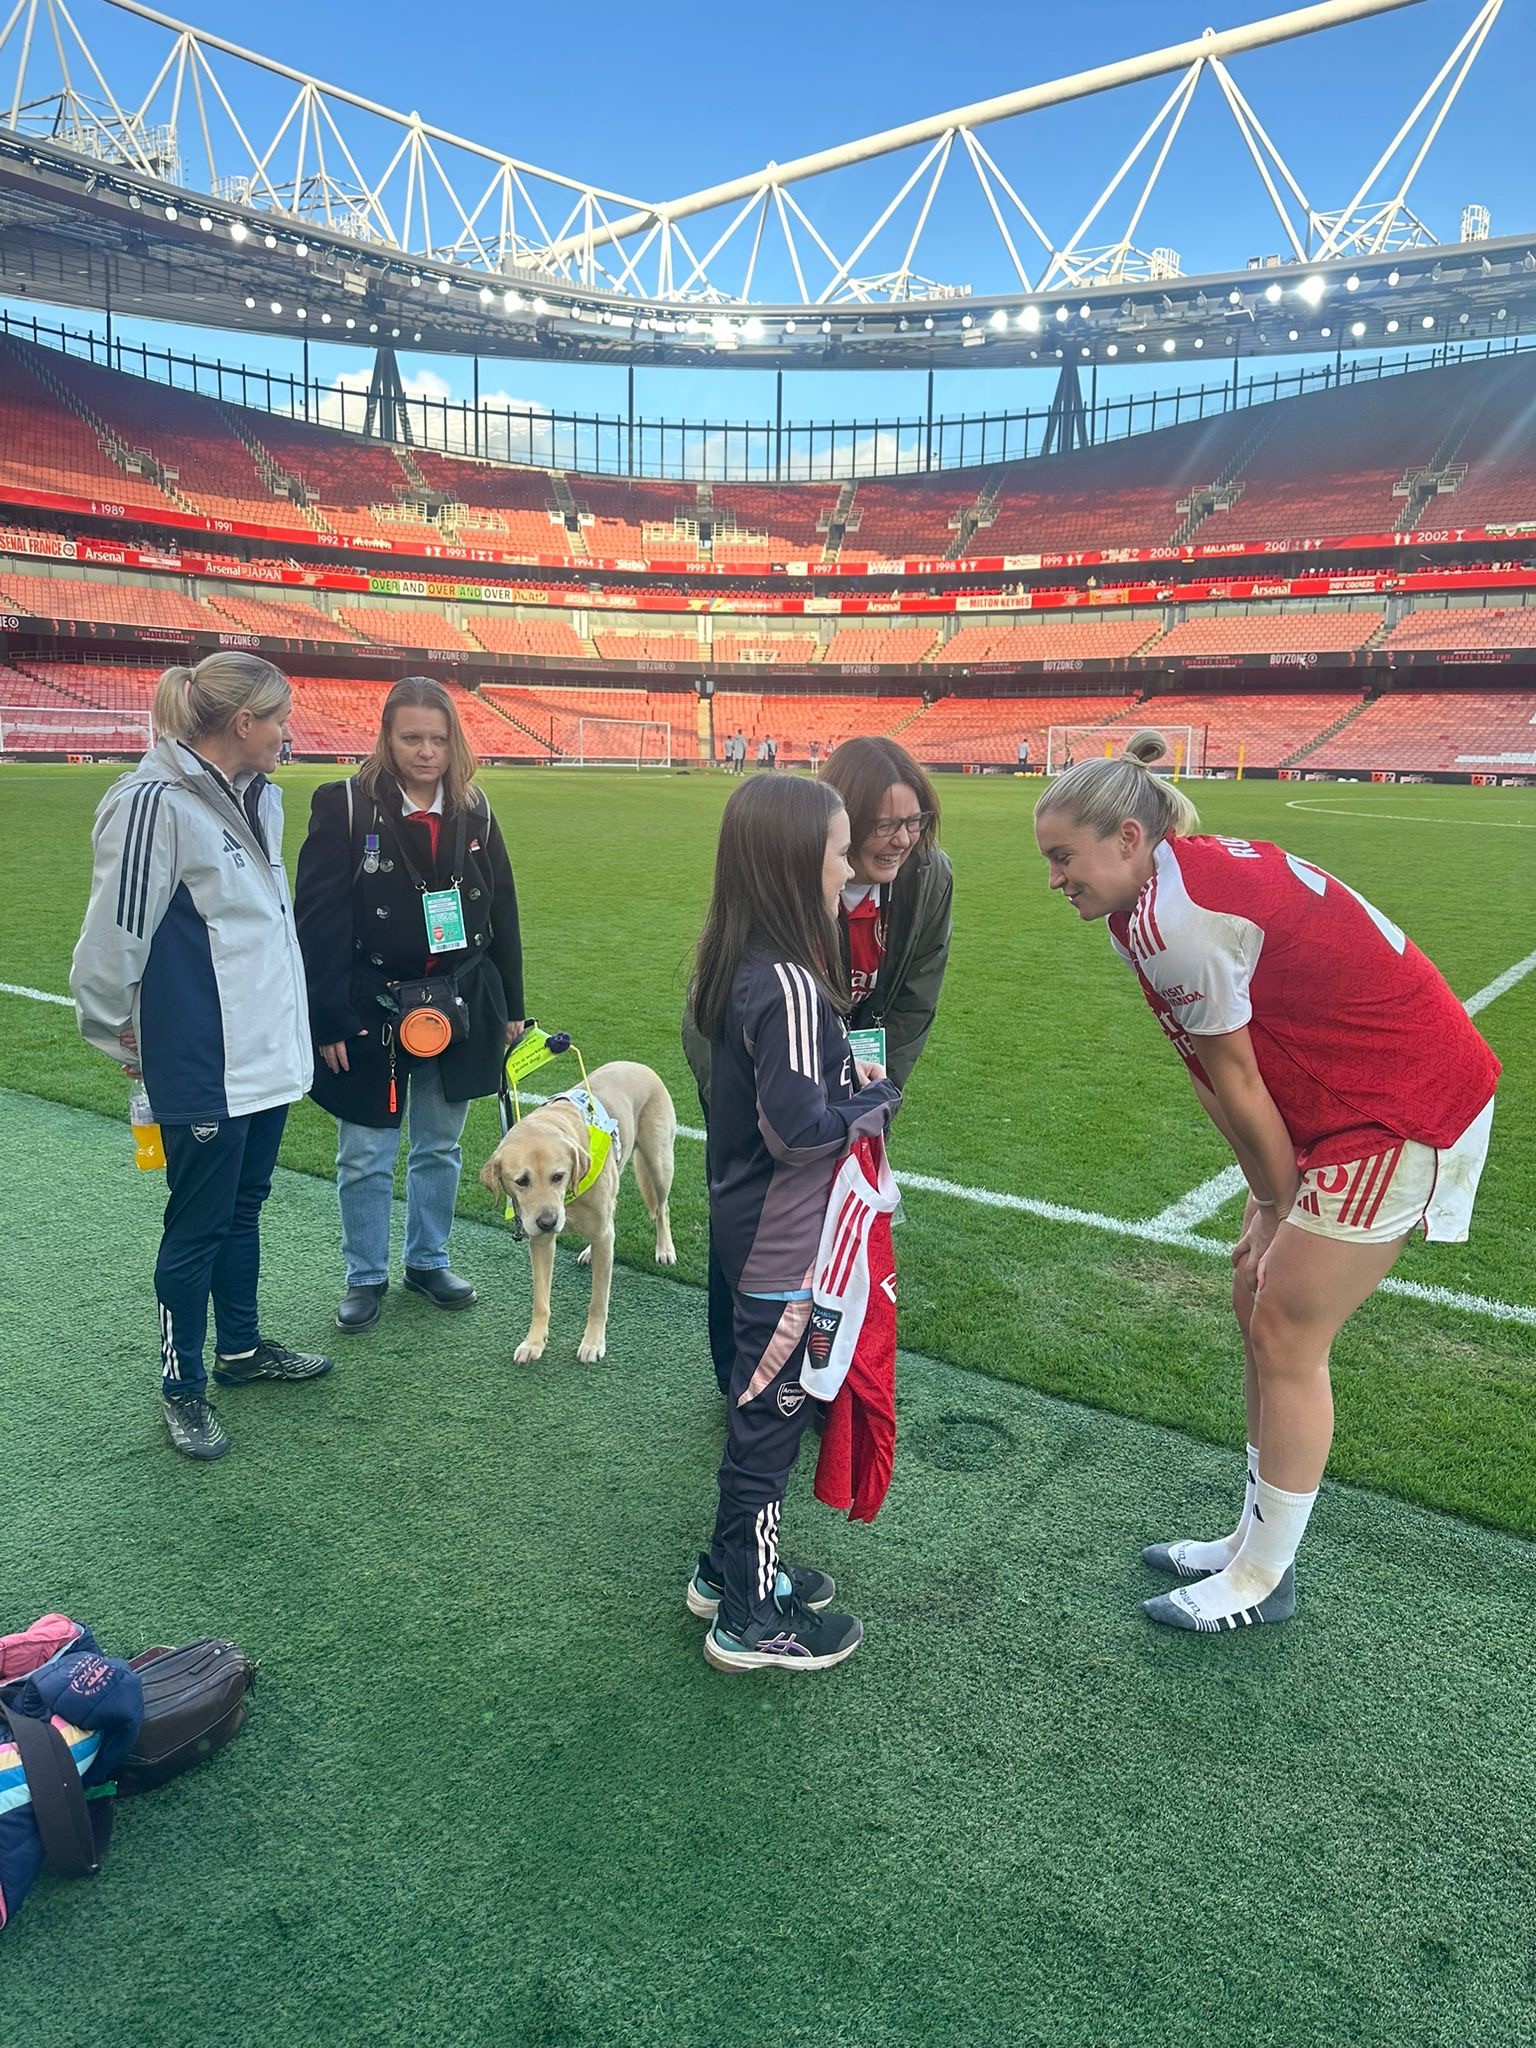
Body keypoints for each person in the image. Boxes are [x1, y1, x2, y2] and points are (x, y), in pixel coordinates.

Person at [1033, 731, 1501, 1634]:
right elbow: (1215, 1071)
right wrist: (1266, 1192)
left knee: (1287, 1319)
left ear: (1127, 838)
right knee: (1253, 1286)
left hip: (1398, 1102)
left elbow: (1240, 1079)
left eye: (1064, 857)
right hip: (1345, 1099)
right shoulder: (1156, 898)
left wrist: (1282, 1197)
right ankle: (1254, 1540)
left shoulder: (1178, 918)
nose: (1055, 879)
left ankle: (1263, 1576)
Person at [70, 653, 331, 1463]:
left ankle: (241, 1351)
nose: (290, 732)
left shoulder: (259, 799)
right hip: (203, 1061)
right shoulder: (153, 803)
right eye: (280, 717)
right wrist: (118, 1030)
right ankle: (182, 1386)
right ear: (243, 723)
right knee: (196, 1227)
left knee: (243, 1212)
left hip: (264, 1057)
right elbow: (112, 938)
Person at [687, 776, 900, 1671]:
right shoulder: (790, 983)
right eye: (841, 850)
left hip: (746, 1222)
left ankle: (726, 1567)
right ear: (791, 860)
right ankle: (748, 1615)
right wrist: (870, 1104)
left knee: (753, 1406)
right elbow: (795, 1128)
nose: (851, 868)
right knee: (768, 1421)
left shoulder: (738, 958)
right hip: (784, 1241)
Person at [686, 733, 954, 1394]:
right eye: (886, 824)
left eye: (914, 821)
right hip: (756, 1072)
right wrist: (745, 1106)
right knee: (750, 1230)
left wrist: (873, 1096)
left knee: (840, 1232)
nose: (903, 839)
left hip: (848, 1075)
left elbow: (916, 997)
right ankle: (742, 1377)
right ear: (839, 823)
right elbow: (724, 998)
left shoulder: (928, 876)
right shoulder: (790, 871)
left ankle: (823, 1377)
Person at [294, 677, 527, 1332]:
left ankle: (428, 1260)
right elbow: (318, 923)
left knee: (440, 1145)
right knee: (366, 1150)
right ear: (387, 738)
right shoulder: (342, 805)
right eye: (412, 738)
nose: (427, 751)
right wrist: (329, 1014)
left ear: (455, 740)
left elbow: (503, 910)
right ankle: (364, 1274)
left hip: (459, 1002)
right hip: (372, 1008)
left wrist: (510, 1003)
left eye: (439, 737)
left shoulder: (476, 809)